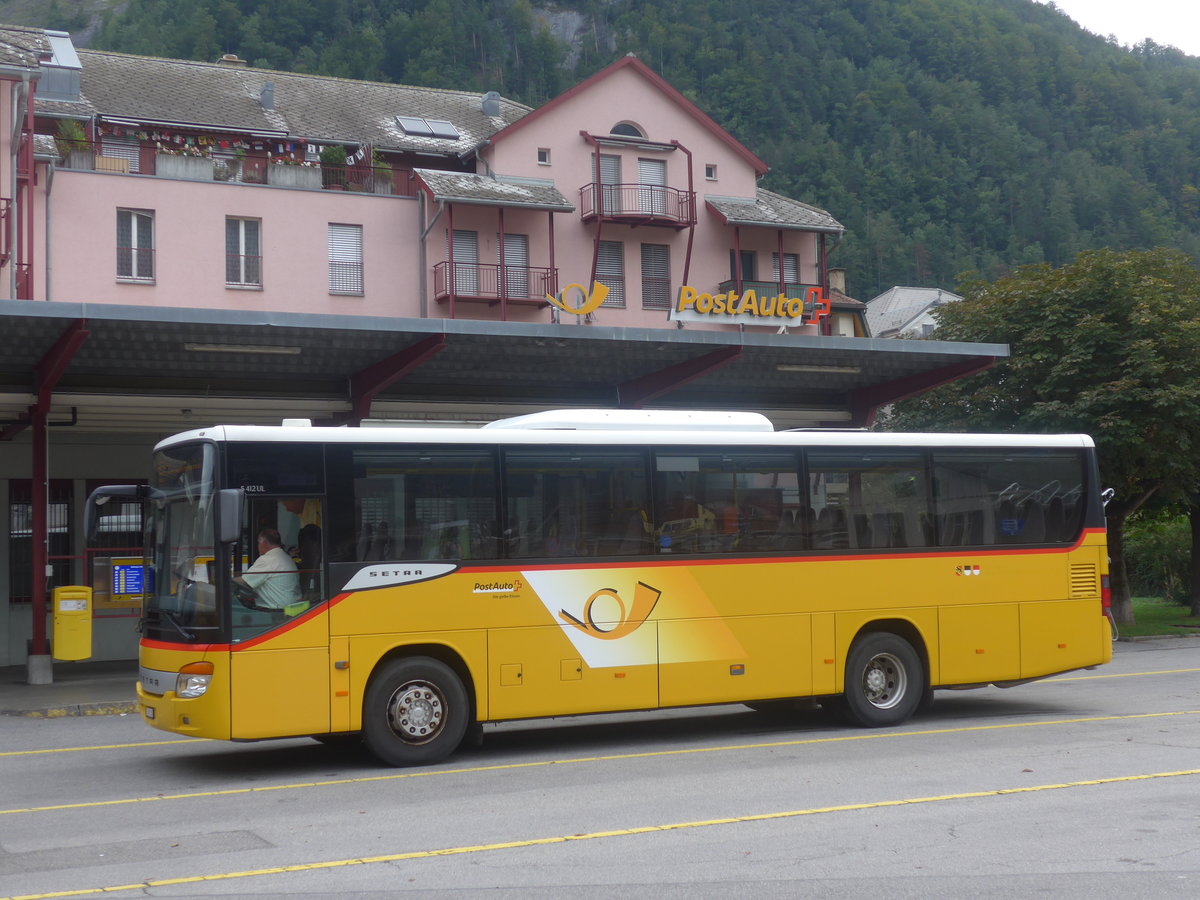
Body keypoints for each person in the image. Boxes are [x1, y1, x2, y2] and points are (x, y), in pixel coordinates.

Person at [235, 528, 301, 610]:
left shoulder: (267, 559)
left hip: (275, 612)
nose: (258, 545)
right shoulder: (285, 557)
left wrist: (225, 581)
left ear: (264, 543)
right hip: (291, 607)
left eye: (258, 542)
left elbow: (244, 581)